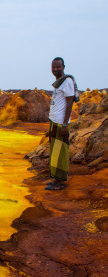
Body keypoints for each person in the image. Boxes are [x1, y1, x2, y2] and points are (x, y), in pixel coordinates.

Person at [46, 57, 76, 190]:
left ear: (63, 67)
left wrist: (65, 124)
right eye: (53, 67)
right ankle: (56, 179)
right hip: (55, 122)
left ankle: (60, 182)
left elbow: (69, 103)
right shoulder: (59, 83)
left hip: (61, 123)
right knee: (54, 152)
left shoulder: (67, 82)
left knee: (61, 152)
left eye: (58, 67)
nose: (55, 69)